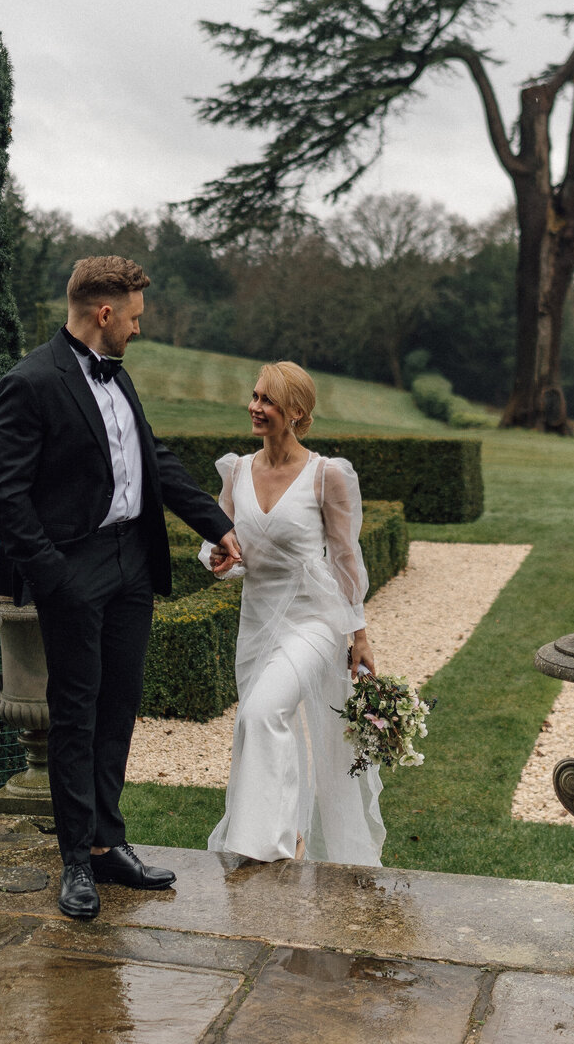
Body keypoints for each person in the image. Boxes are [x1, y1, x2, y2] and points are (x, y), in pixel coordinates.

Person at [0, 255, 240, 920]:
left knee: (118, 705)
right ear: (104, 314)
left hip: (132, 564)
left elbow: (152, 460)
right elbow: (5, 498)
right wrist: (56, 578)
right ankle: (75, 864)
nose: (136, 328)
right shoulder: (30, 382)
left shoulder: (119, 380)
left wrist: (217, 525)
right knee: (75, 713)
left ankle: (107, 845)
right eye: (132, 317)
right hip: (74, 569)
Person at [202, 361, 385, 866]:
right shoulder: (236, 470)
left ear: (296, 413)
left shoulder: (327, 475)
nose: (254, 406)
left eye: (267, 401)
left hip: (314, 619)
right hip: (257, 620)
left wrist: (360, 633)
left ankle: (279, 845)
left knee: (264, 712)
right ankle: (284, 837)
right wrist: (219, 561)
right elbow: (222, 547)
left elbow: (347, 560)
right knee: (254, 721)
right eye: (255, 395)